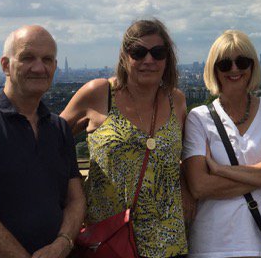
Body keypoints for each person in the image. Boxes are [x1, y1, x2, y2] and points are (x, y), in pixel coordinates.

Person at [61, 18, 188, 258]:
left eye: (158, 53)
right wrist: (74, 188)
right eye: (138, 52)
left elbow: (185, 160)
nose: (148, 60)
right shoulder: (99, 93)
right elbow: (49, 142)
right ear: (124, 56)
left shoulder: (177, 101)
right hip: (108, 241)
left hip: (168, 243)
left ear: (167, 59)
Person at [0, 25, 85, 258]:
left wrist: (62, 244)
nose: (39, 67)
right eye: (27, 58)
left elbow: (76, 199)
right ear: (5, 65)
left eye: (47, 59)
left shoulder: (58, 128)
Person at [182, 30, 261, 258]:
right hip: (213, 245)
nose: (234, 69)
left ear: (252, 67)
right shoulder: (199, 118)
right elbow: (200, 186)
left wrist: (222, 171)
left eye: (242, 62)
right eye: (225, 64)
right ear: (214, 70)